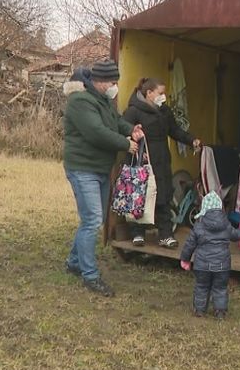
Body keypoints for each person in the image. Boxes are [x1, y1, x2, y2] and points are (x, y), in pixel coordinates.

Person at [62, 60, 143, 297]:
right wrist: (125, 144)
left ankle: (74, 262)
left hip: (100, 168)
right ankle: (90, 275)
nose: (114, 86)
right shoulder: (80, 102)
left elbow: (115, 122)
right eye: (112, 82)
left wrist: (131, 130)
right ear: (97, 81)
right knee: (93, 220)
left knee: (91, 219)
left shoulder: (103, 100)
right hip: (83, 169)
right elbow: (96, 132)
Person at [122, 77, 201, 248]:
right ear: (149, 93)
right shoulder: (133, 111)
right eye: (161, 93)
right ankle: (137, 232)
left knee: (164, 194)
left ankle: (165, 235)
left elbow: (175, 130)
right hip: (141, 159)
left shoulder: (165, 111)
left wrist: (191, 140)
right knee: (140, 194)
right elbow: (124, 132)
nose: (163, 96)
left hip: (162, 159)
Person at [179, 192, 240, 319]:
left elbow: (189, 245)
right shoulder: (226, 225)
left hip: (202, 265)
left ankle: (199, 310)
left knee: (201, 286)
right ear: (220, 208)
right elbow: (236, 235)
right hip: (222, 266)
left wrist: (185, 259)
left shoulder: (198, 226)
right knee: (220, 288)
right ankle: (220, 312)